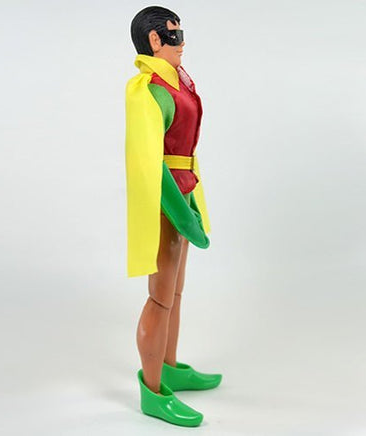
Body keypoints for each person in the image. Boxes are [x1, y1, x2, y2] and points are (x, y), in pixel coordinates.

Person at [125, 6, 222, 427]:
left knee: (176, 293)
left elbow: (184, 152)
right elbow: (151, 163)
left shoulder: (176, 81)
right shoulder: (148, 89)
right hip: (166, 201)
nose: (182, 43)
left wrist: (193, 203)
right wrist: (182, 215)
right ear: (154, 41)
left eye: (181, 34)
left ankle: (169, 366)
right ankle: (153, 390)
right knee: (161, 296)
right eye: (175, 35)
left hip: (185, 188)